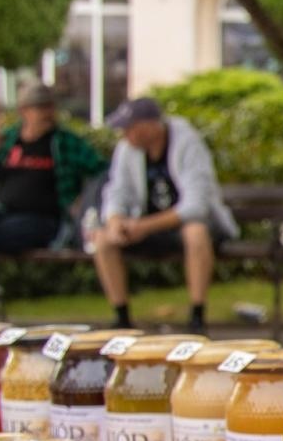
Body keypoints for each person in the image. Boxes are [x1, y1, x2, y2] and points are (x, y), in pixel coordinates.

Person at [93, 97, 237, 334]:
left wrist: (144, 226)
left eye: (130, 128)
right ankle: (121, 318)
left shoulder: (187, 143)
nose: (124, 134)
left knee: (195, 232)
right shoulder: (127, 148)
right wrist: (115, 220)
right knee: (103, 240)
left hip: (186, 225)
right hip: (145, 225)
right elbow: (117, 190)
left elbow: (196, 206)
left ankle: (197, 318)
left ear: (150, 126)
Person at [0, 82, 107, 296]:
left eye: (50, 106)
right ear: (23, 111)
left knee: (2, 233)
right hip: (1, 213)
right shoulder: (7, 141)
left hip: (43, 221)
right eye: (41, 107)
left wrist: (86, 201)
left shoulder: (65, 142)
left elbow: (104, 173)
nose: (48, 113)